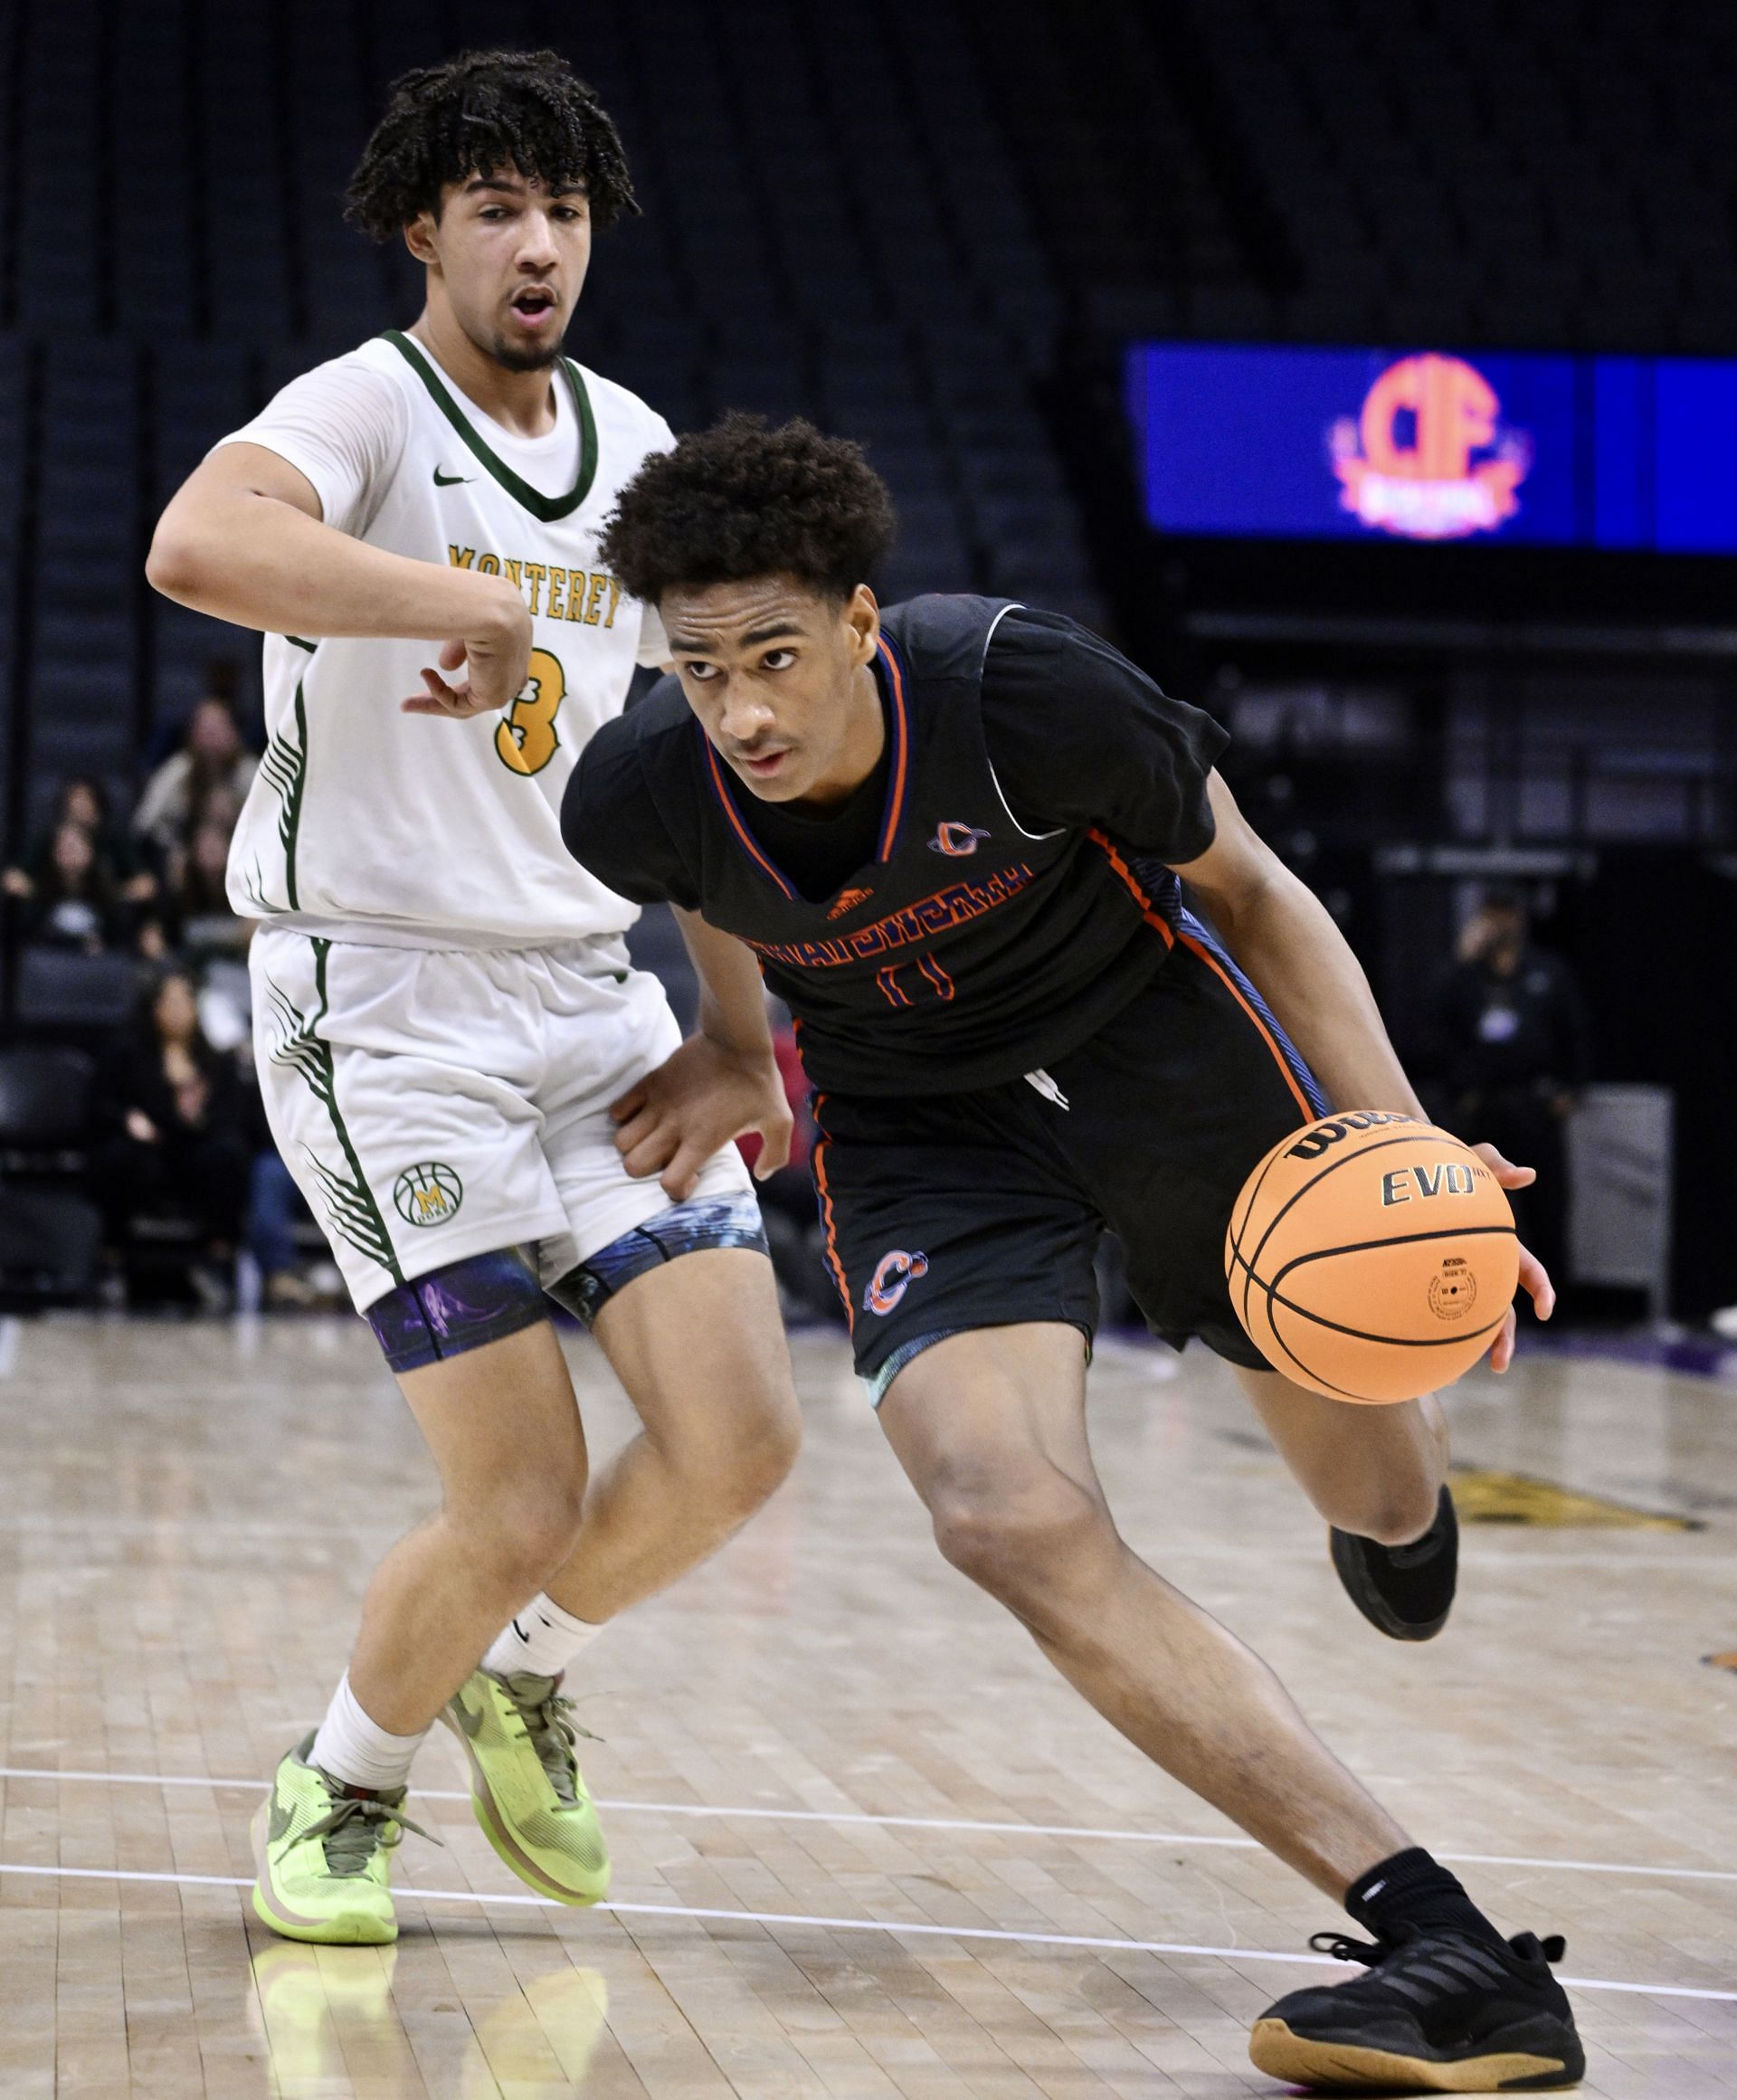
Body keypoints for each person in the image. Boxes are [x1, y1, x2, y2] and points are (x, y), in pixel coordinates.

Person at [553, 417, 1583, 2095]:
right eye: (700, 665)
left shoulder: (1025, 695)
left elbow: (1253, 889)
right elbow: (706, 886)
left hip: (1164, 1061)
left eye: (775, 656)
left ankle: (1406, 1494)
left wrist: (1404, 1143)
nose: (739, 707)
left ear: (863, 624)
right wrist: (738, 1046)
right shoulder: (646, 786)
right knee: (999, 1513)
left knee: (1381, 1499)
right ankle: (1439, 1940)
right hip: (922, 1129)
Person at [147, 50, 800, 1948]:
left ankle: (520, 1664)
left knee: (743, 1437)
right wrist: (466, 605)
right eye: (498, 206)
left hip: (592, 994)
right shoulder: (368, 405)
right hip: (385, 1004)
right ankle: (343, 1774)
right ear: (424, 228)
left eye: (566, 209)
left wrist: (740, 1030)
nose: (538, 243)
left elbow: (702, 766)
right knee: (519, 1487)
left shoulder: (642, 449)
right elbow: (197, 543)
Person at [1429, 887, 1590, 1293]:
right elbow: (1428, 1033)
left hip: (1534, 1107)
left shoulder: (1548, 971)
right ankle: (1475, 1299)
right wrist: (1460, 959)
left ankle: (1554, 1311)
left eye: (1507, 912)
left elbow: (1577, 1034)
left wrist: (1571, 1091)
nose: (1500, 922)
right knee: (1471, 1210)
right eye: (1492, 912)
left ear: (1521, 917)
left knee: (1546, 1207)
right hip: (1478, 1109)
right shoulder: (1464, 974)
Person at [90, 968, 257, 1303]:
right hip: (148, 1148)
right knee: (119, 1159)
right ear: (155, 1008)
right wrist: (128, 1117)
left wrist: (200, 1116)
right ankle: (113, 1259)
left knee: (229, 1156)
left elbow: (233, 1115)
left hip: (196, 1151)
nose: (180, 1010)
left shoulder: (213, 1059)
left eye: (186, 1002)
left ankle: (218, 1258)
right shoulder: (128, 1052)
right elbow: (99, 1103)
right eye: (172, 1002)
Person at [132, 681, 260, 866]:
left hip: (245, 858)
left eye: (218, 729)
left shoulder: (250, 772)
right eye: (207, 730)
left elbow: (273, 823)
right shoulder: (178, 771)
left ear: (233, 732)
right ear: (193, 734)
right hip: (188, 864)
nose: (213, 739)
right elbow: (145, 824)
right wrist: (176, 851)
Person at [3, 774, 157, 907]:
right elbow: (12, 879)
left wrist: (110, 896)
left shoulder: (113, 838)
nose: (80, 806)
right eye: (65, 848)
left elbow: (146, 884)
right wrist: (43, 896)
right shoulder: (47, 837)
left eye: (86, 800)